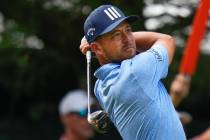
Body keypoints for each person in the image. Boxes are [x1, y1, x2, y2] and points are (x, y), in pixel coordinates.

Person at [80, 5, 186, 140]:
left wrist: (97, 47)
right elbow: (167, 40)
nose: (128, 38)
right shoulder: (136, 73)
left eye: (128, 30)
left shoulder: (100, 87)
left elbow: (111, 52)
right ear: (96, 48)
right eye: (116, 34)